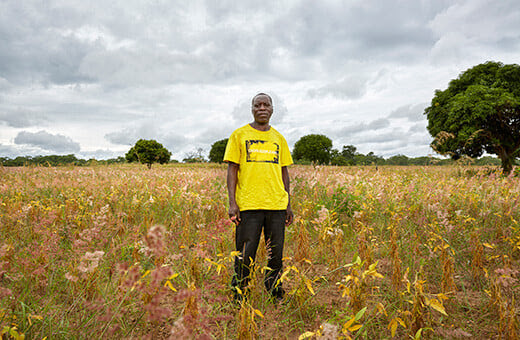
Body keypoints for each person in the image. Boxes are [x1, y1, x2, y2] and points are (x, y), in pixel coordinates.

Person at [223, 93, 294, 301]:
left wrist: (288, 204)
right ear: (252, 109)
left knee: (276, 254)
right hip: (249, 205)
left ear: (272, 109)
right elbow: (232, 170)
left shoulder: (279, 138)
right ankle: (240, 295)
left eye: (266, 104)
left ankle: (275, 292)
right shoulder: (239, 135)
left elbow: (284, 172)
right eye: (258, 105)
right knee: (245, 254)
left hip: (277, 206)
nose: (262, 108)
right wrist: (233, 203)